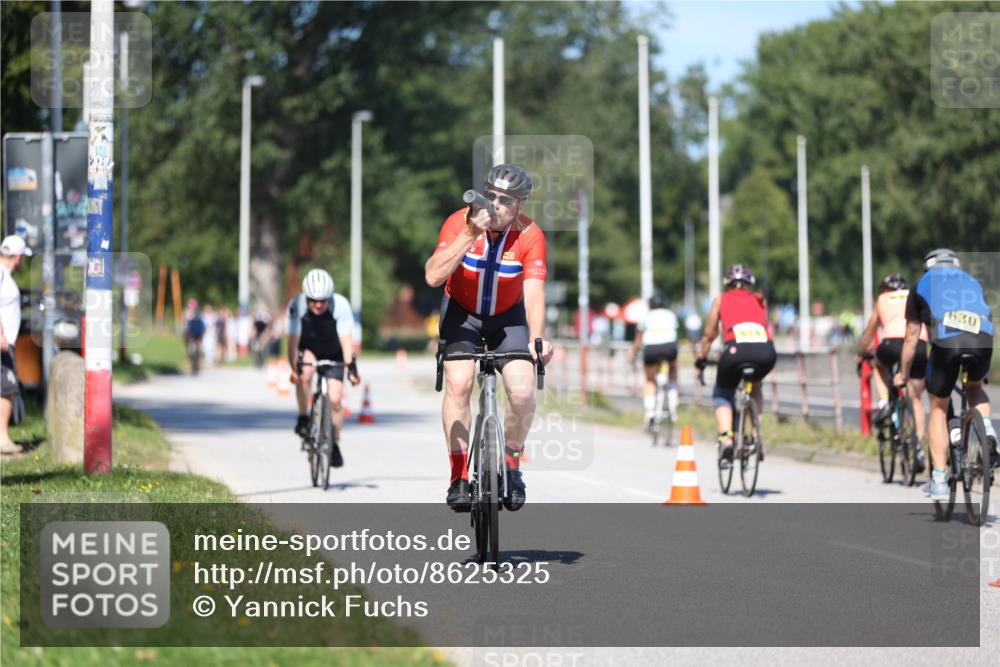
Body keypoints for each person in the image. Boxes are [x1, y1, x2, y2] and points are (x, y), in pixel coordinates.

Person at [424, 163, 553, 512]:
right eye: (490, 196)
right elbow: (433, 276)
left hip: (507, 318)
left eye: (505, 200)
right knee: (460, 383)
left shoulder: (530, 234)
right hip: (462, 314)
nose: (495, 205)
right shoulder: (459, 222)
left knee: (522, 391)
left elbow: (534, 291)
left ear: (520, 205)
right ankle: (459, 477)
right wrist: (469, 234)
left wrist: (537, 339)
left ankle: (511, 464)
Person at [894, 249, 995, 501]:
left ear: (928, 268)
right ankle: (988, 432)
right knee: (974, 387)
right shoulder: (972, 281)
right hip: (983, 339)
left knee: (939, 407)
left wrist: (903, 375)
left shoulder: (920, 285)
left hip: (948, 342)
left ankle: (939, 479)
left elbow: (911, 339)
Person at [694, 264, 777, 462]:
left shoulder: (721, 299)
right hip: (765, 351)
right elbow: (763, 325)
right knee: (755, 387)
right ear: (749, 284)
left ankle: (726, 439)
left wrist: (701, 358)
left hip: (735, 350)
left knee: (723, 392)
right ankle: (756, 436)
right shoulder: (759, 299)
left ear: (728, 284)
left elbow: (709, 334)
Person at [286, 269, 361, 467]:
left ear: (330, 297)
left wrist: (352, 369)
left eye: (323, 300)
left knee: (335, 400)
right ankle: (304, 417)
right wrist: (294, 369)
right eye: (313, 301)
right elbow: (292, 343)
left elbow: (346, 342)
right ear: (306, 297)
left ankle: (334, 442)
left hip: (334, 351)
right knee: (305, 373)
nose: (318, 305)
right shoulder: (296, 306)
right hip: (310, 348)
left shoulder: (341, 305)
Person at [855, 274, 929, 464]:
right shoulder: (915, 294)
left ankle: (884, 402)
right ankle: (918, 448)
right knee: (916, 398)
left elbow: (870, 332)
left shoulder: (883, 298)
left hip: (892, 344)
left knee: (878, 365)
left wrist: (861, 353)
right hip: (919, 344)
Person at [628, 293, 680, 428]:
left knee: (650, 380)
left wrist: (633, 353)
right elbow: (676, 334)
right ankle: (673, 406)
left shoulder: (646, 316)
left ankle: (650, 412)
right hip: (669, 347)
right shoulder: (671, 314)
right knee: (673, 372)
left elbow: (638, 340)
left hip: (651, 349)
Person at [0, 235, 31, 455]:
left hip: (6, 340)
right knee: (7, 387)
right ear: (18, 256)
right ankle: (2, 439)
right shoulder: (1, 274)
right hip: (3, 341)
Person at [183, 298, 206, 375]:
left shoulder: (200, 321)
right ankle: (191, 360)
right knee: (190, 348)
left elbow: (203, 329)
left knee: (199, 348)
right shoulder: (190, 321)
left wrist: (201, 337)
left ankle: (199, 362)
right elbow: (188, 329)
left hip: (198, 335)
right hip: (192, 335)